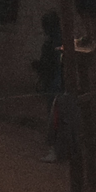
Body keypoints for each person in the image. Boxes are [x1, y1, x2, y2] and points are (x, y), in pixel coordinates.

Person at [33, 11, 67, 162]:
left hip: (55, 84)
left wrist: (38, 67)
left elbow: (50, 65)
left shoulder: (52, 43)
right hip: (59, 83)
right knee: (60, 118)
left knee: (55, 118)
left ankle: (55, 151)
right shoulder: (61, 39)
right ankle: (62, 150)